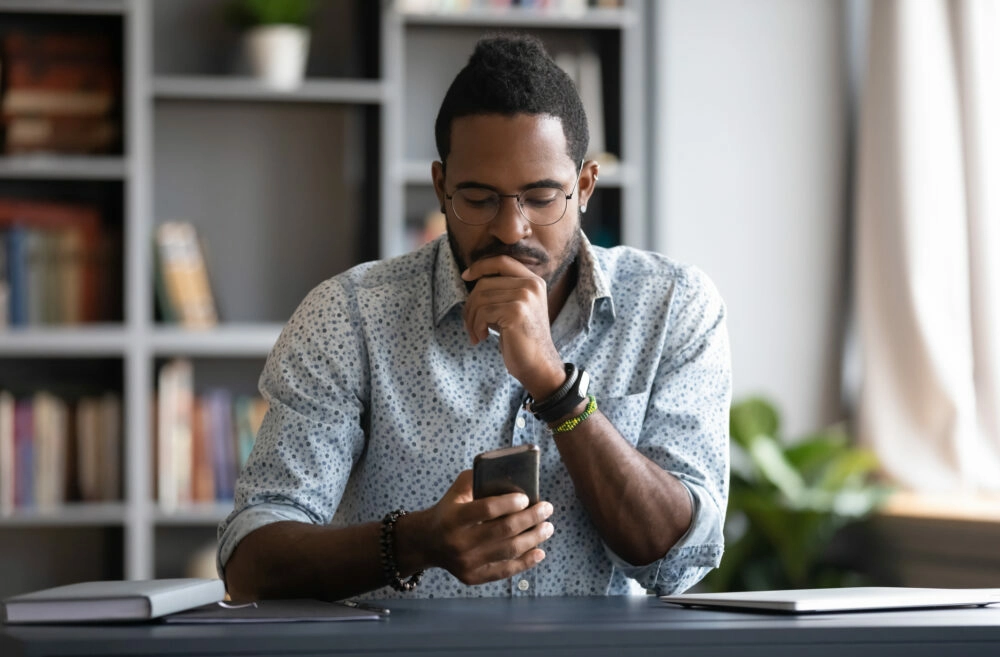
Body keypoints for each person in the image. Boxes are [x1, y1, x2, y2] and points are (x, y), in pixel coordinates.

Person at [219, 34, 731, 601]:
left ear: (584, 186)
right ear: (441, 187)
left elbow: (678, 560)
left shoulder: (672, 306)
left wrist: (557, 390)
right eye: (480, 198)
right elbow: (250, 562)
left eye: (542, 198)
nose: (512, 229)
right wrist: (414, 541)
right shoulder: (351, 317)